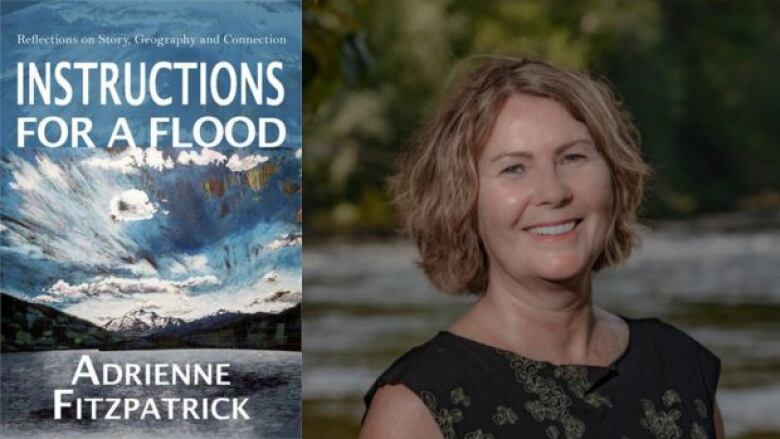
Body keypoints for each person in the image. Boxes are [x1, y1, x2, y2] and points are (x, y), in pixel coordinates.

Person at [359, 57, 724, 439]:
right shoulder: (415, 411)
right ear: (463, 200)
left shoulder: (680, 367)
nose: (553, 192)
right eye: (514, 168)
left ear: (615, 176)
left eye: (573, 157)